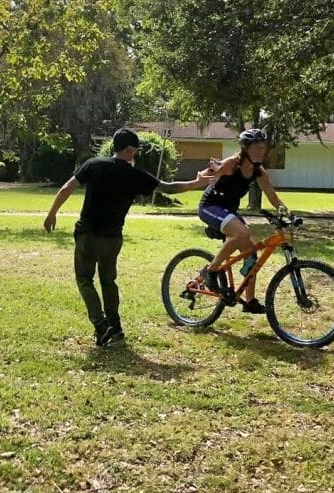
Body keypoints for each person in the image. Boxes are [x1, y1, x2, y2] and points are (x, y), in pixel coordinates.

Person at [44, 127, 217, 347]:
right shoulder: (135, 175)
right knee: (108, 281)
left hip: (87, 234)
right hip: (112, 237)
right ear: (129, 150)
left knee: (85, 279)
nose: (136, 154)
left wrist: (52, 214)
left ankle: (100, 325)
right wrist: (198, 182)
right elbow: (167, 188)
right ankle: (115, 328)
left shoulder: (93, 164)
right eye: (135, 150)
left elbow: (67, 187)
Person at [198, 128, 287, 314]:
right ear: (246, 148)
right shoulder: (233, 164)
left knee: (251, 255)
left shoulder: (258, 172)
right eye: (257, 147)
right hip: (210, 207)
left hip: (228, 212)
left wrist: (285, 212)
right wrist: (211, 170)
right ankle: (210, 270)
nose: (261, 151)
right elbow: (212, 171)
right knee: (242, 232)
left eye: (264, 148)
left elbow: (272, 196)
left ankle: (250, 300)